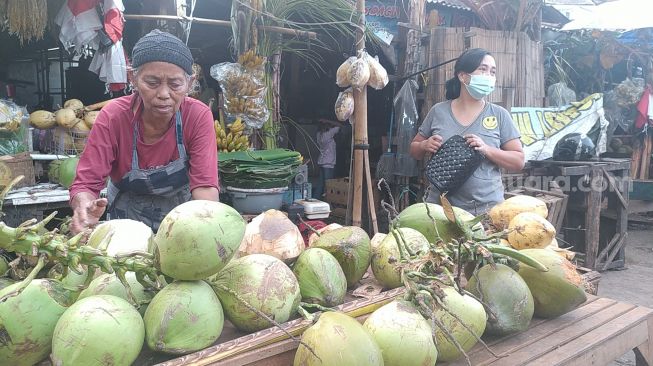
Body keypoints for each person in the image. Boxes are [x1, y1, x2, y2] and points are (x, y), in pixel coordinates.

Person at [69, 29, 219, 234]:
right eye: (152, 83)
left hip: (181, 224)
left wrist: (208, 231)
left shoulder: (197, 116)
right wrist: (84, 209)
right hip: (126, 224)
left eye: (175, 84)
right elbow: (87, 183)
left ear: (190, 83)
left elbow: (205, 187)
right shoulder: (113, 116)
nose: (164, 94)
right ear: (133, 78)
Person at [409, 48, 524, 214]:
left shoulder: (499, 115)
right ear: (462, 76)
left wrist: (486, 149)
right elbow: (414, 150)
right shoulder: (438, 111)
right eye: (482, 69)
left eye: (492, 72)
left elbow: (518, 161)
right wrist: (424, 145)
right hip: (440, 210)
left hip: (486, 211)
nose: (489, 76)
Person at [313, 119, 341, 199]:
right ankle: (328, 200)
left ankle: (315, 198)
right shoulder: (328, 133)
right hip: (329, 163)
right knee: (329, 184)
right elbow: (340, 125)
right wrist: (329, 121)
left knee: (321, 183)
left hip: (322, 161)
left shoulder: (319, 134)